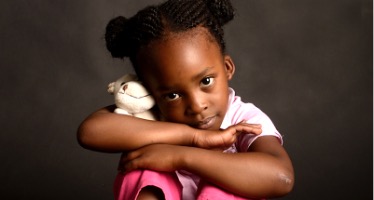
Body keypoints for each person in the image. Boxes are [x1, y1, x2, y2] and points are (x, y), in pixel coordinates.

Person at [77, 0, 294, 199]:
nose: (197, 106)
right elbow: (90, 132)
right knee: (144, 171)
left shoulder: (242, 120)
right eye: (172, 95)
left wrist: (180, 156)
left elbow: (281, 177)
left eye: (206, 81)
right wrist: (194, 138)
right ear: (150, 91)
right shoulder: (155, 113)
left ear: (227, 68)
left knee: (225, 184)